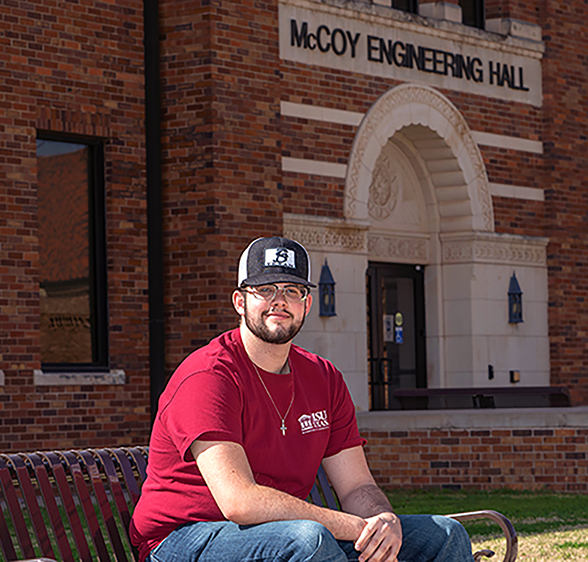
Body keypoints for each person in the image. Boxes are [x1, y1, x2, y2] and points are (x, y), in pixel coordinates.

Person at [130, 236, 474, 562]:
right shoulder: (209, 376)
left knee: (444, 534)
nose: (279, 300)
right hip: (183, 538)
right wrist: (353, 528)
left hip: (283, 535)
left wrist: (381, 520)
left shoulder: (324, 379)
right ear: (240, 301)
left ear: (306, 304)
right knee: (308, 541)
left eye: (292, 290)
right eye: (265, 289)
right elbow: (239, 501)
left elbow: (356, 485)